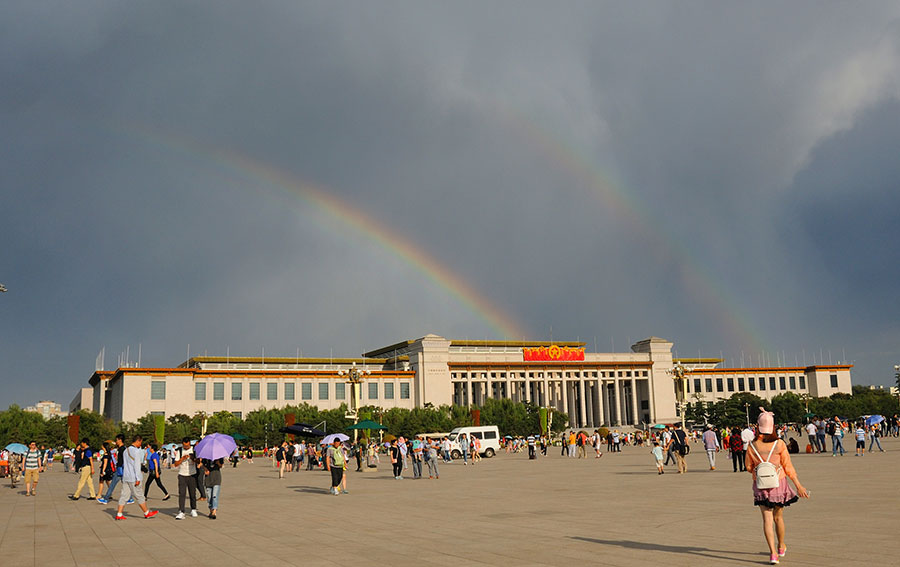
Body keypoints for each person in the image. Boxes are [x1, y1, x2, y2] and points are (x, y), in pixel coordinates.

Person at [745, 408, 809, 564]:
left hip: (760, 485)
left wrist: (758, 468)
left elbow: (748, 467)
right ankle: (781, 546)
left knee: (767, 520)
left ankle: (773, 554)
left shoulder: (752, 446)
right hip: (778, 484)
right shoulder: (779, 444)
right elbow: (788, 467)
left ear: (758, 426)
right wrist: (798, 485)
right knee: (778, 518)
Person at [114, 435, 158, 520]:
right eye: (140, 442)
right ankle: (146, 512)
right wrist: (138, 478)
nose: (140, 444)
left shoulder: (125, 450)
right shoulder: (136, 451)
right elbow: (137, 466)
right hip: (133, 477)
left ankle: (119, 514)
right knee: (139, 495)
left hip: (126, 476)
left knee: (124, 495)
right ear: (138, 441)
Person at [173, 437, 198, 519]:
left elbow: (198, 461)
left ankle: (193, 509)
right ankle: (181, 511)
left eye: (187, 446)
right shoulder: (179, 451)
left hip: (192, 474)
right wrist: (182, 458)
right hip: (182, 474)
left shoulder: (194, 450)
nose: (186, 447)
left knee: (192, 493)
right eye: (184, 446)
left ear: (190, 443)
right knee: (182, 494)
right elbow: (176, 464)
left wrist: (192, 458)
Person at [98, 434, 126, 504]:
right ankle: (131, 498)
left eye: (116, 440)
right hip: (120, 468)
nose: (116, 442)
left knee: (113, 484)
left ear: (120, 440)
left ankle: (106, 498)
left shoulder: (123, 449)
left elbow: (124, 460)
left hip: (121, 469)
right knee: (126, 484)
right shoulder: (120, 448)